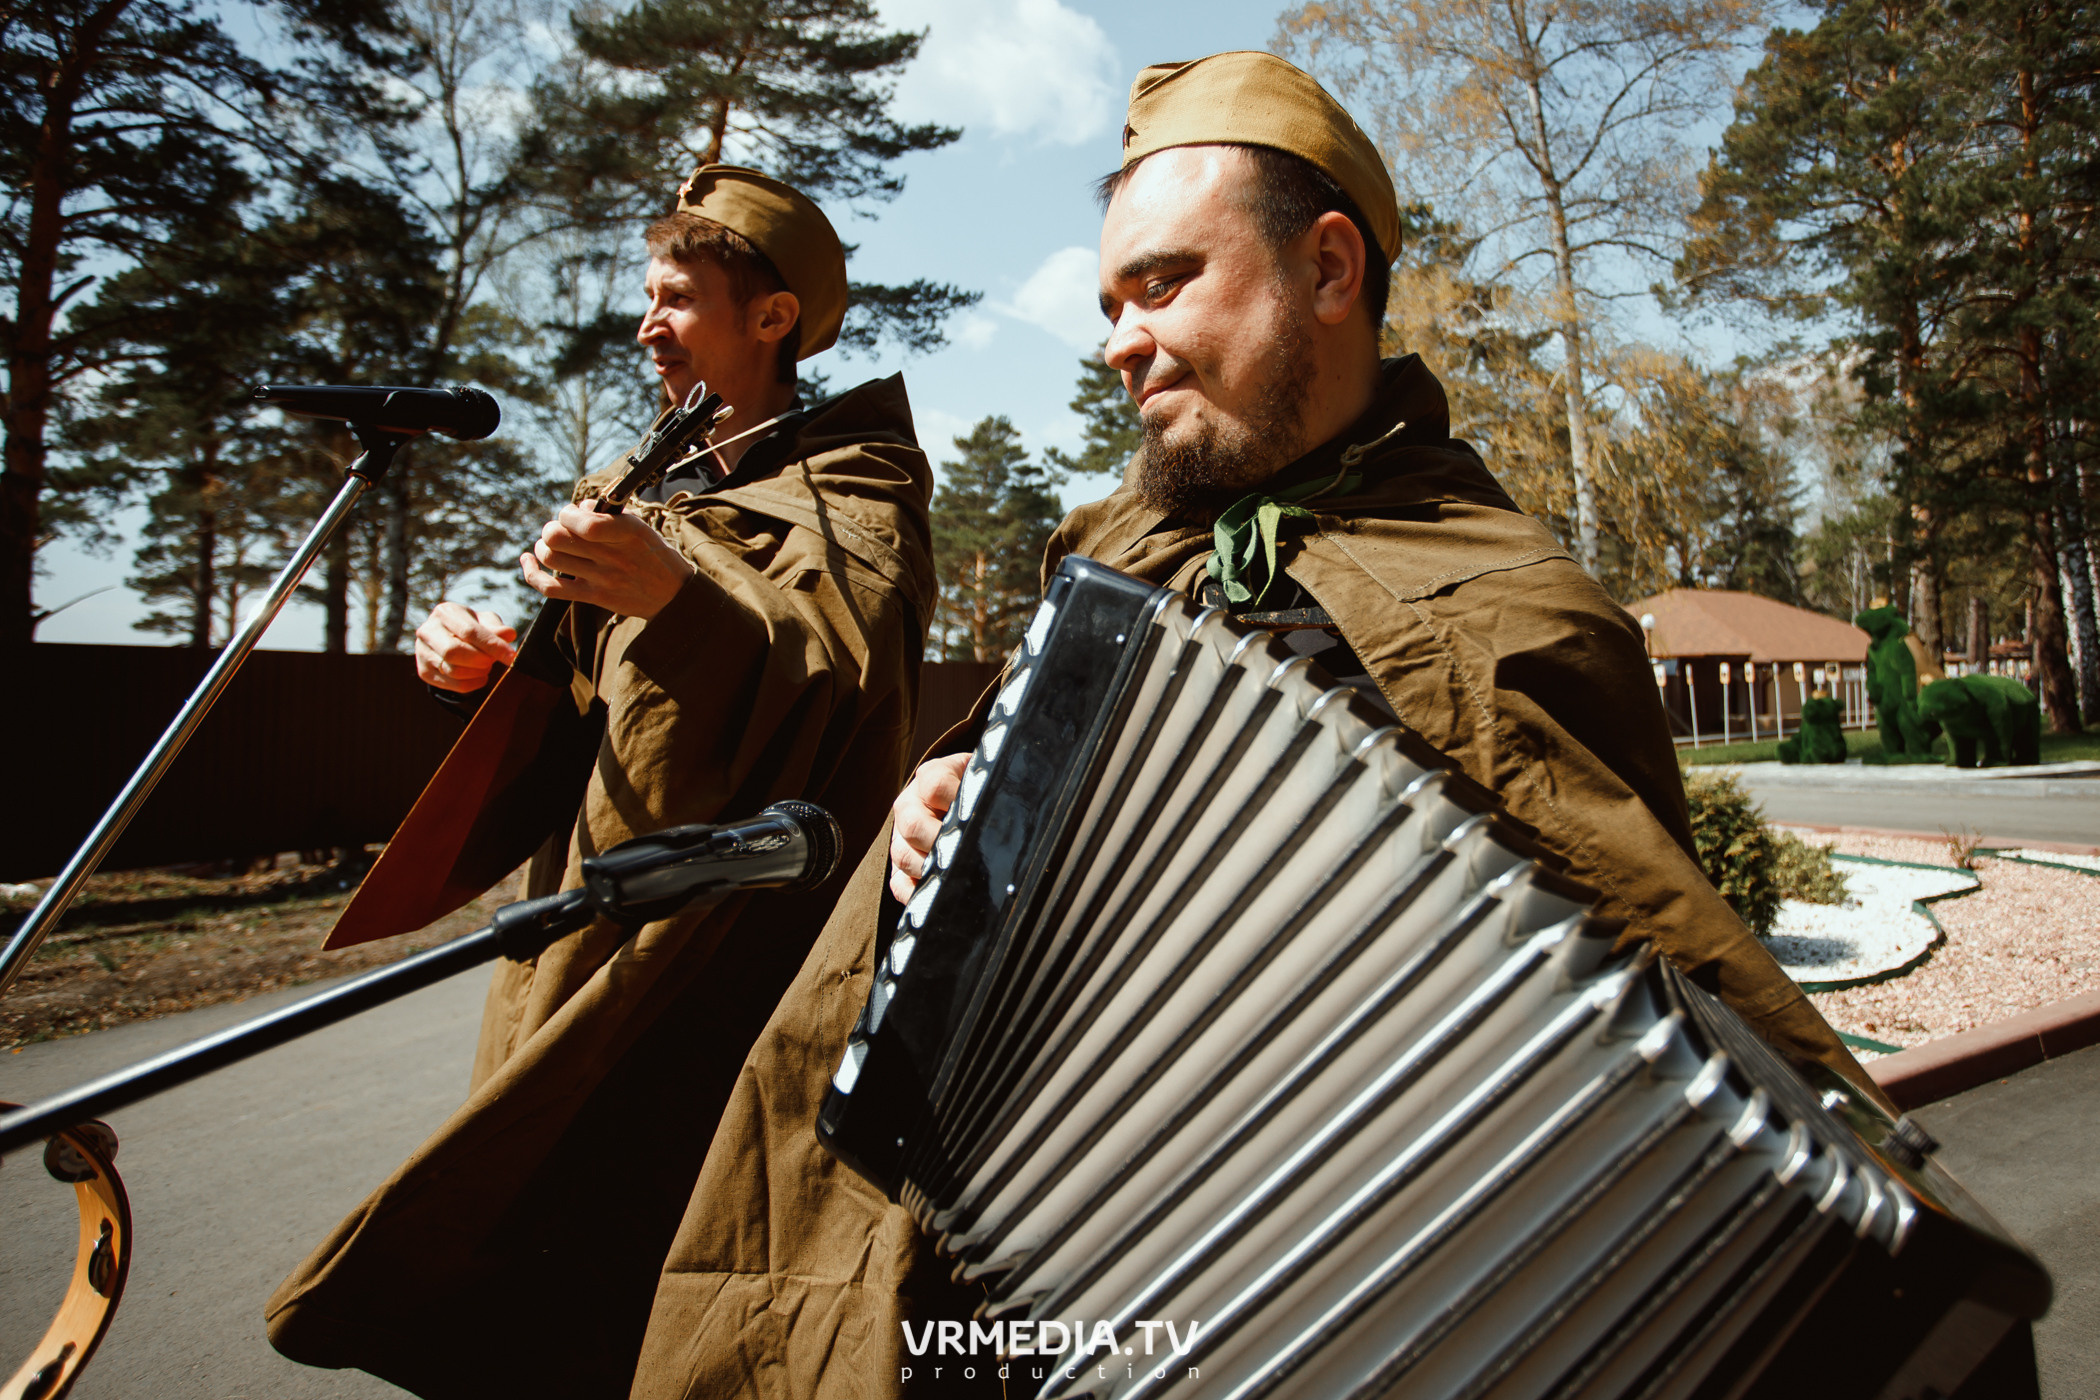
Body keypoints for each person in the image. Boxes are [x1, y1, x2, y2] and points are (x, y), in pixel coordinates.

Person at [615, 54, 1888, 1400]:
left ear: (1329, 269)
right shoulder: (1115, 560)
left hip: (1366, 1293)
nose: (1119, 340)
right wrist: (948, 812)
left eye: (1164, 283)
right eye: (1112, 304)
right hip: (1045, 1252)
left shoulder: (1520, 608)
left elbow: (1654, 1049)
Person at [264, 165, 937, 1400]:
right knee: (528, 1198)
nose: (645, 324)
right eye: (648, 295)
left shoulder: (858, 486)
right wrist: (479, 670)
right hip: (581, 908)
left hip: (729, 938)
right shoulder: (637, 482)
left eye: (675, 298)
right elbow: (594, 696)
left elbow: (842, 684)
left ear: (772, 317)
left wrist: (682, 601)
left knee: (665, 1224)